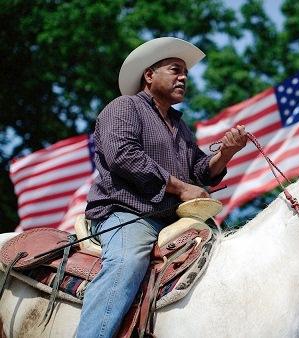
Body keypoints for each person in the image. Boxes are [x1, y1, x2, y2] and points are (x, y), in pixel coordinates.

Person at [76, 37, 247, 338]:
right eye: (175, 69)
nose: (183, 77)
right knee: (126, 264)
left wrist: (227, 152)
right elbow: (122, 155)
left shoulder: (180, 127)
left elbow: (199, 171)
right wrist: (182, 188)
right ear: (149, 75)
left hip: (174, 221)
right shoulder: (124, 107)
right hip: (127, 215)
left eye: (186, 73)